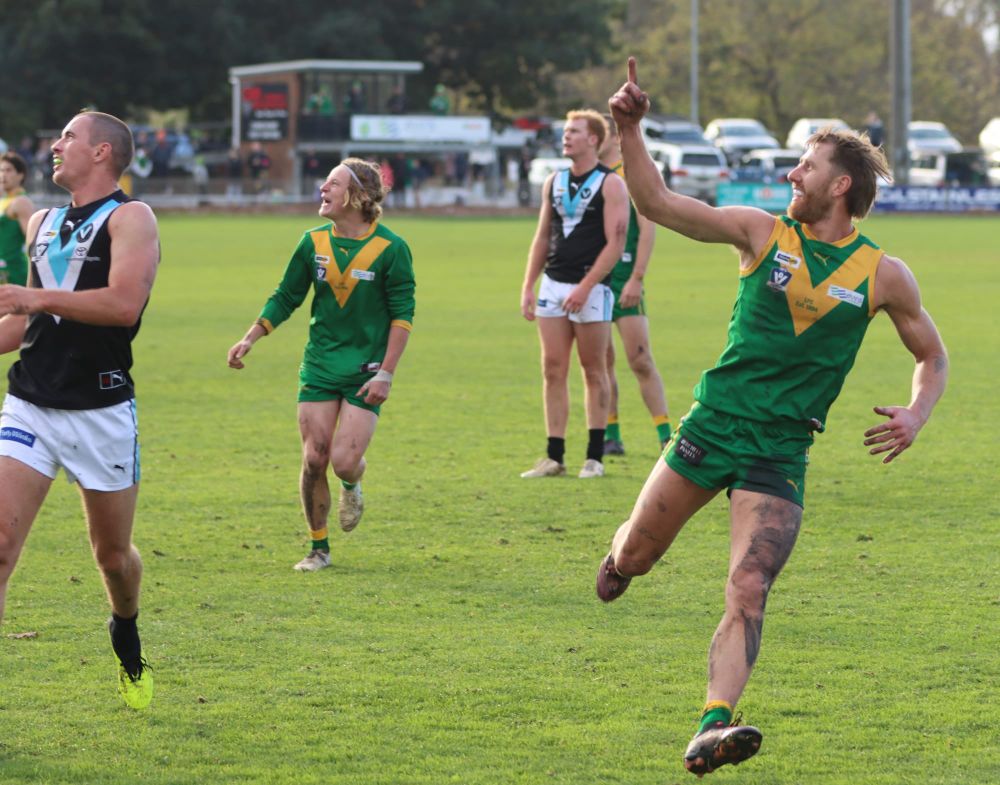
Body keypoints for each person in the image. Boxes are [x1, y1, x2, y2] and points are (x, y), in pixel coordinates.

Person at [600, 58, 947, 776]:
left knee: (749, 584)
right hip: (710, 428)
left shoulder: (884, 274)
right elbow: (660, 204)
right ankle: (619, 556)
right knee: (633, 557)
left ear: (840, 184)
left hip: (780, 452)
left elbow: (933, 357)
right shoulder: (761, 233)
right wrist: (627, 130)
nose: (792, 174)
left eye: (805, 166)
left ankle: (711, 726)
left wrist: (917, 412)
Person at [0, 111, 161, 709]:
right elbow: (24, 323)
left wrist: (31, 295)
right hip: (30, 404)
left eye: (68, 136)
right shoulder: (38, 220)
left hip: (100, 411)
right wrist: (23, 305)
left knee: (113, 558)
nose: (54, 145)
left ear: (102, 152)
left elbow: (123, 305)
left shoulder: (132, 217)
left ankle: (125, 628)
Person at [227, 158, 415, 572]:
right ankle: (319, 548)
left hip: (366, 368)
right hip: (320, 365)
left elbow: (403, 316)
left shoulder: (392, 249)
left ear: (357, 196)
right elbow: (286, 296)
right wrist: (250, 337)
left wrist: (386, 372)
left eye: (332, 183)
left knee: (343, 461)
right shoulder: (312, 242)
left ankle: (352, 483)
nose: (322, 189)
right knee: (314, 458)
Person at [519, 109, 630, 479]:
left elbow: (616, 244)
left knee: (593, 369)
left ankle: (595, 456)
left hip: (592, 287)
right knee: (552, 369)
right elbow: (541, 237)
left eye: (574, 131)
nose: (566, 137)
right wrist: (528, 286)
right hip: (553, 284)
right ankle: (554, 456)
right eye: (565, 131)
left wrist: (585, 287)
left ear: (594, 139)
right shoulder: (554, 181)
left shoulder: (611, 184)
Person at [597, 116, 672, 456]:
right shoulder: (590, 178)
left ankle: (665, 436)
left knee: (639, 359)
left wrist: (637, 277)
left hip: (625, 278)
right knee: (602, 361)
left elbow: (649, 227)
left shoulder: (628, 175)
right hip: (594, 280)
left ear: (611, 137)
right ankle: (611, 435)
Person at [0, 152, 35, 285]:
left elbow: (33, 242)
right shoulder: (4, 200)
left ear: (21, 175)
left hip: (13, 273)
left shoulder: (21, 202)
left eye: (8, 170)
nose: (3, 175)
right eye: (1, 170)